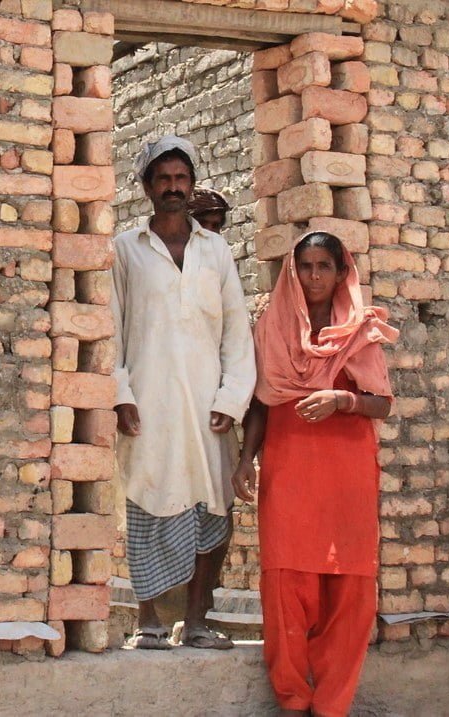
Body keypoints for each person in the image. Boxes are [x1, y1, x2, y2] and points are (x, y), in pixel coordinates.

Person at [231, 231, 398, 716]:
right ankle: (293, 702)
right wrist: (247, 459)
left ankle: (330, 707)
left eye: (325, 266)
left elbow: (383, 405)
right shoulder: (273, 328)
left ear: (342, 272)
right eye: (306, 267)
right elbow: (263, 403)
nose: (315, 276)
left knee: (349, 600)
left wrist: (343, 400)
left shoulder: (360, 330)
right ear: (293, 271)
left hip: (346, 479)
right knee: (286, 590)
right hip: (290, 473)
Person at [112, 135, 255, 650]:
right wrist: (121, 392)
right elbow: (112, 326)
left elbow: (237, 332)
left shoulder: (215, 250)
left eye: (181, 179)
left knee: (209, 511)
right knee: (145, 501)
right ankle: (146, 620)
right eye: (163, 179)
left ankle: (195, 621)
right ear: (147, 187)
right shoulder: (126, 250)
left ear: (191, 185)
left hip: (207, 408)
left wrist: (231, 400)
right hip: (148, 404)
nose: (173, 188)